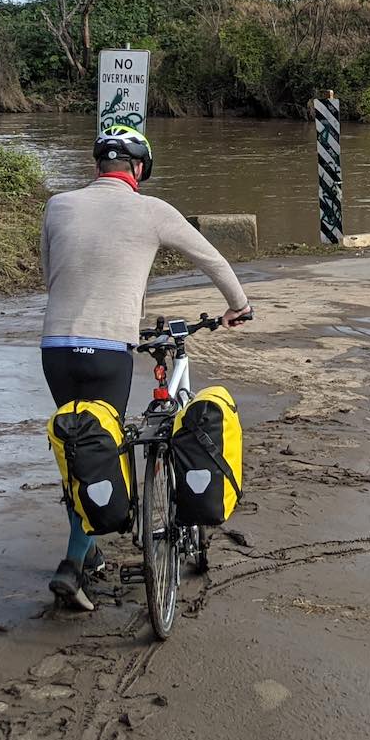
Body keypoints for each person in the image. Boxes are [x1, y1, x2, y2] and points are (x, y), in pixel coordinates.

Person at [39, 122, 252, 610]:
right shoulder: (152, 211)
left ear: (98, 165)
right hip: (108, 348)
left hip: (56, 347)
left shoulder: (58, 205)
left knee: (79, 441)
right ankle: (72, 567)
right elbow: (213, 259)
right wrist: (238, 305)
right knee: (100, 446)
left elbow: (50, 275)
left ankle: (88, 549)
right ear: (139, 169)